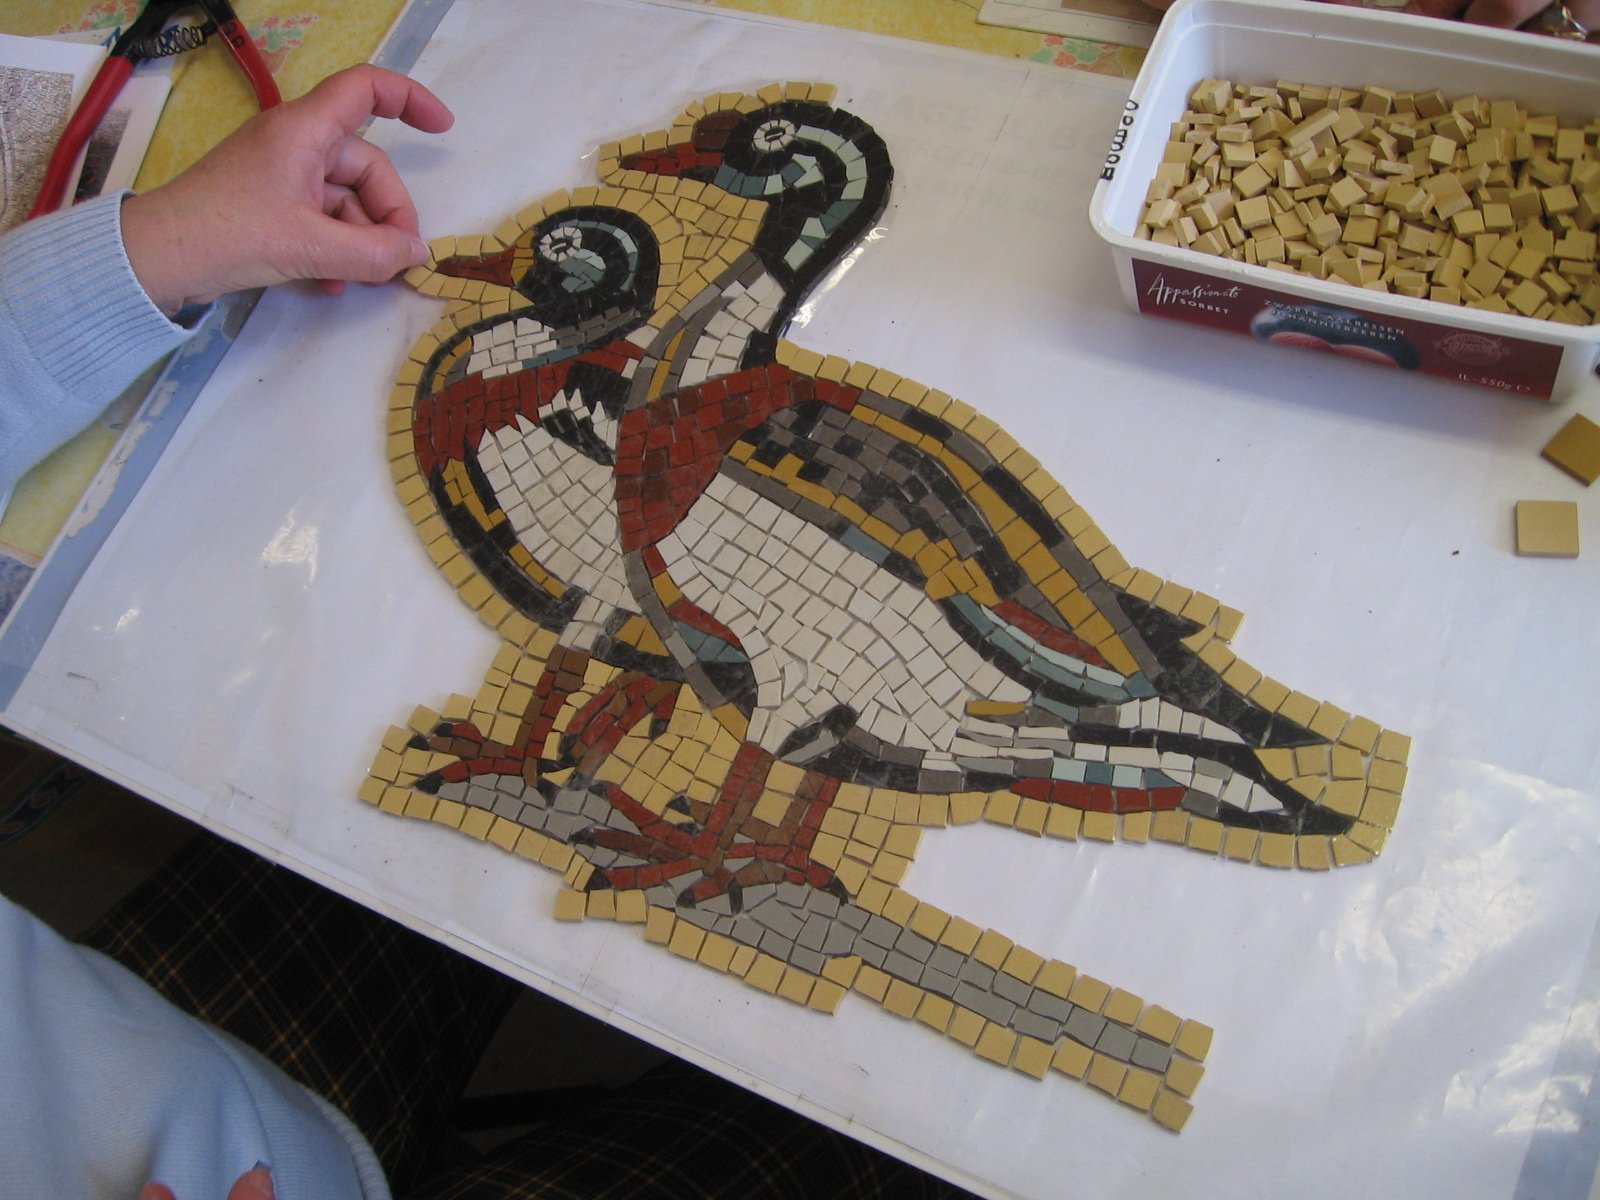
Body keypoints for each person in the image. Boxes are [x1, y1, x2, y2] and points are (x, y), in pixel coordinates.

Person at [0, 64, 977, 1200]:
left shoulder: (598, 410)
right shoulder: (553, 395)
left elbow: (667, 597)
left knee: (402, 835)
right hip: (209, 1135)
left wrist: (155, 244)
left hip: (149, 1056)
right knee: (859, 1126)